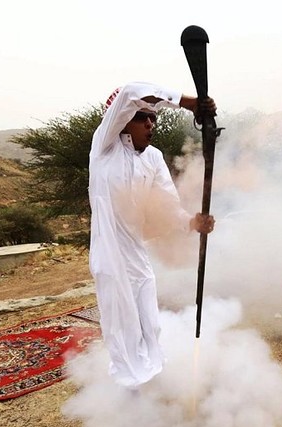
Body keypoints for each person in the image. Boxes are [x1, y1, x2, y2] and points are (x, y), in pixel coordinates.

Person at [88, 82, 216, 389]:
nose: (150, 123)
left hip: (136, 255)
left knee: (150, 325)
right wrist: (188, 102)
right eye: (142, 117)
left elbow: (167, 206)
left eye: (154, 118)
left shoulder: (153, 157)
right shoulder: (104, 146)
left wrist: (191, 223)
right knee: (122, 330)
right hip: (110, 256)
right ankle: (130, 397)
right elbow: (130, 92)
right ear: (122, 121)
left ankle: (154, 385)